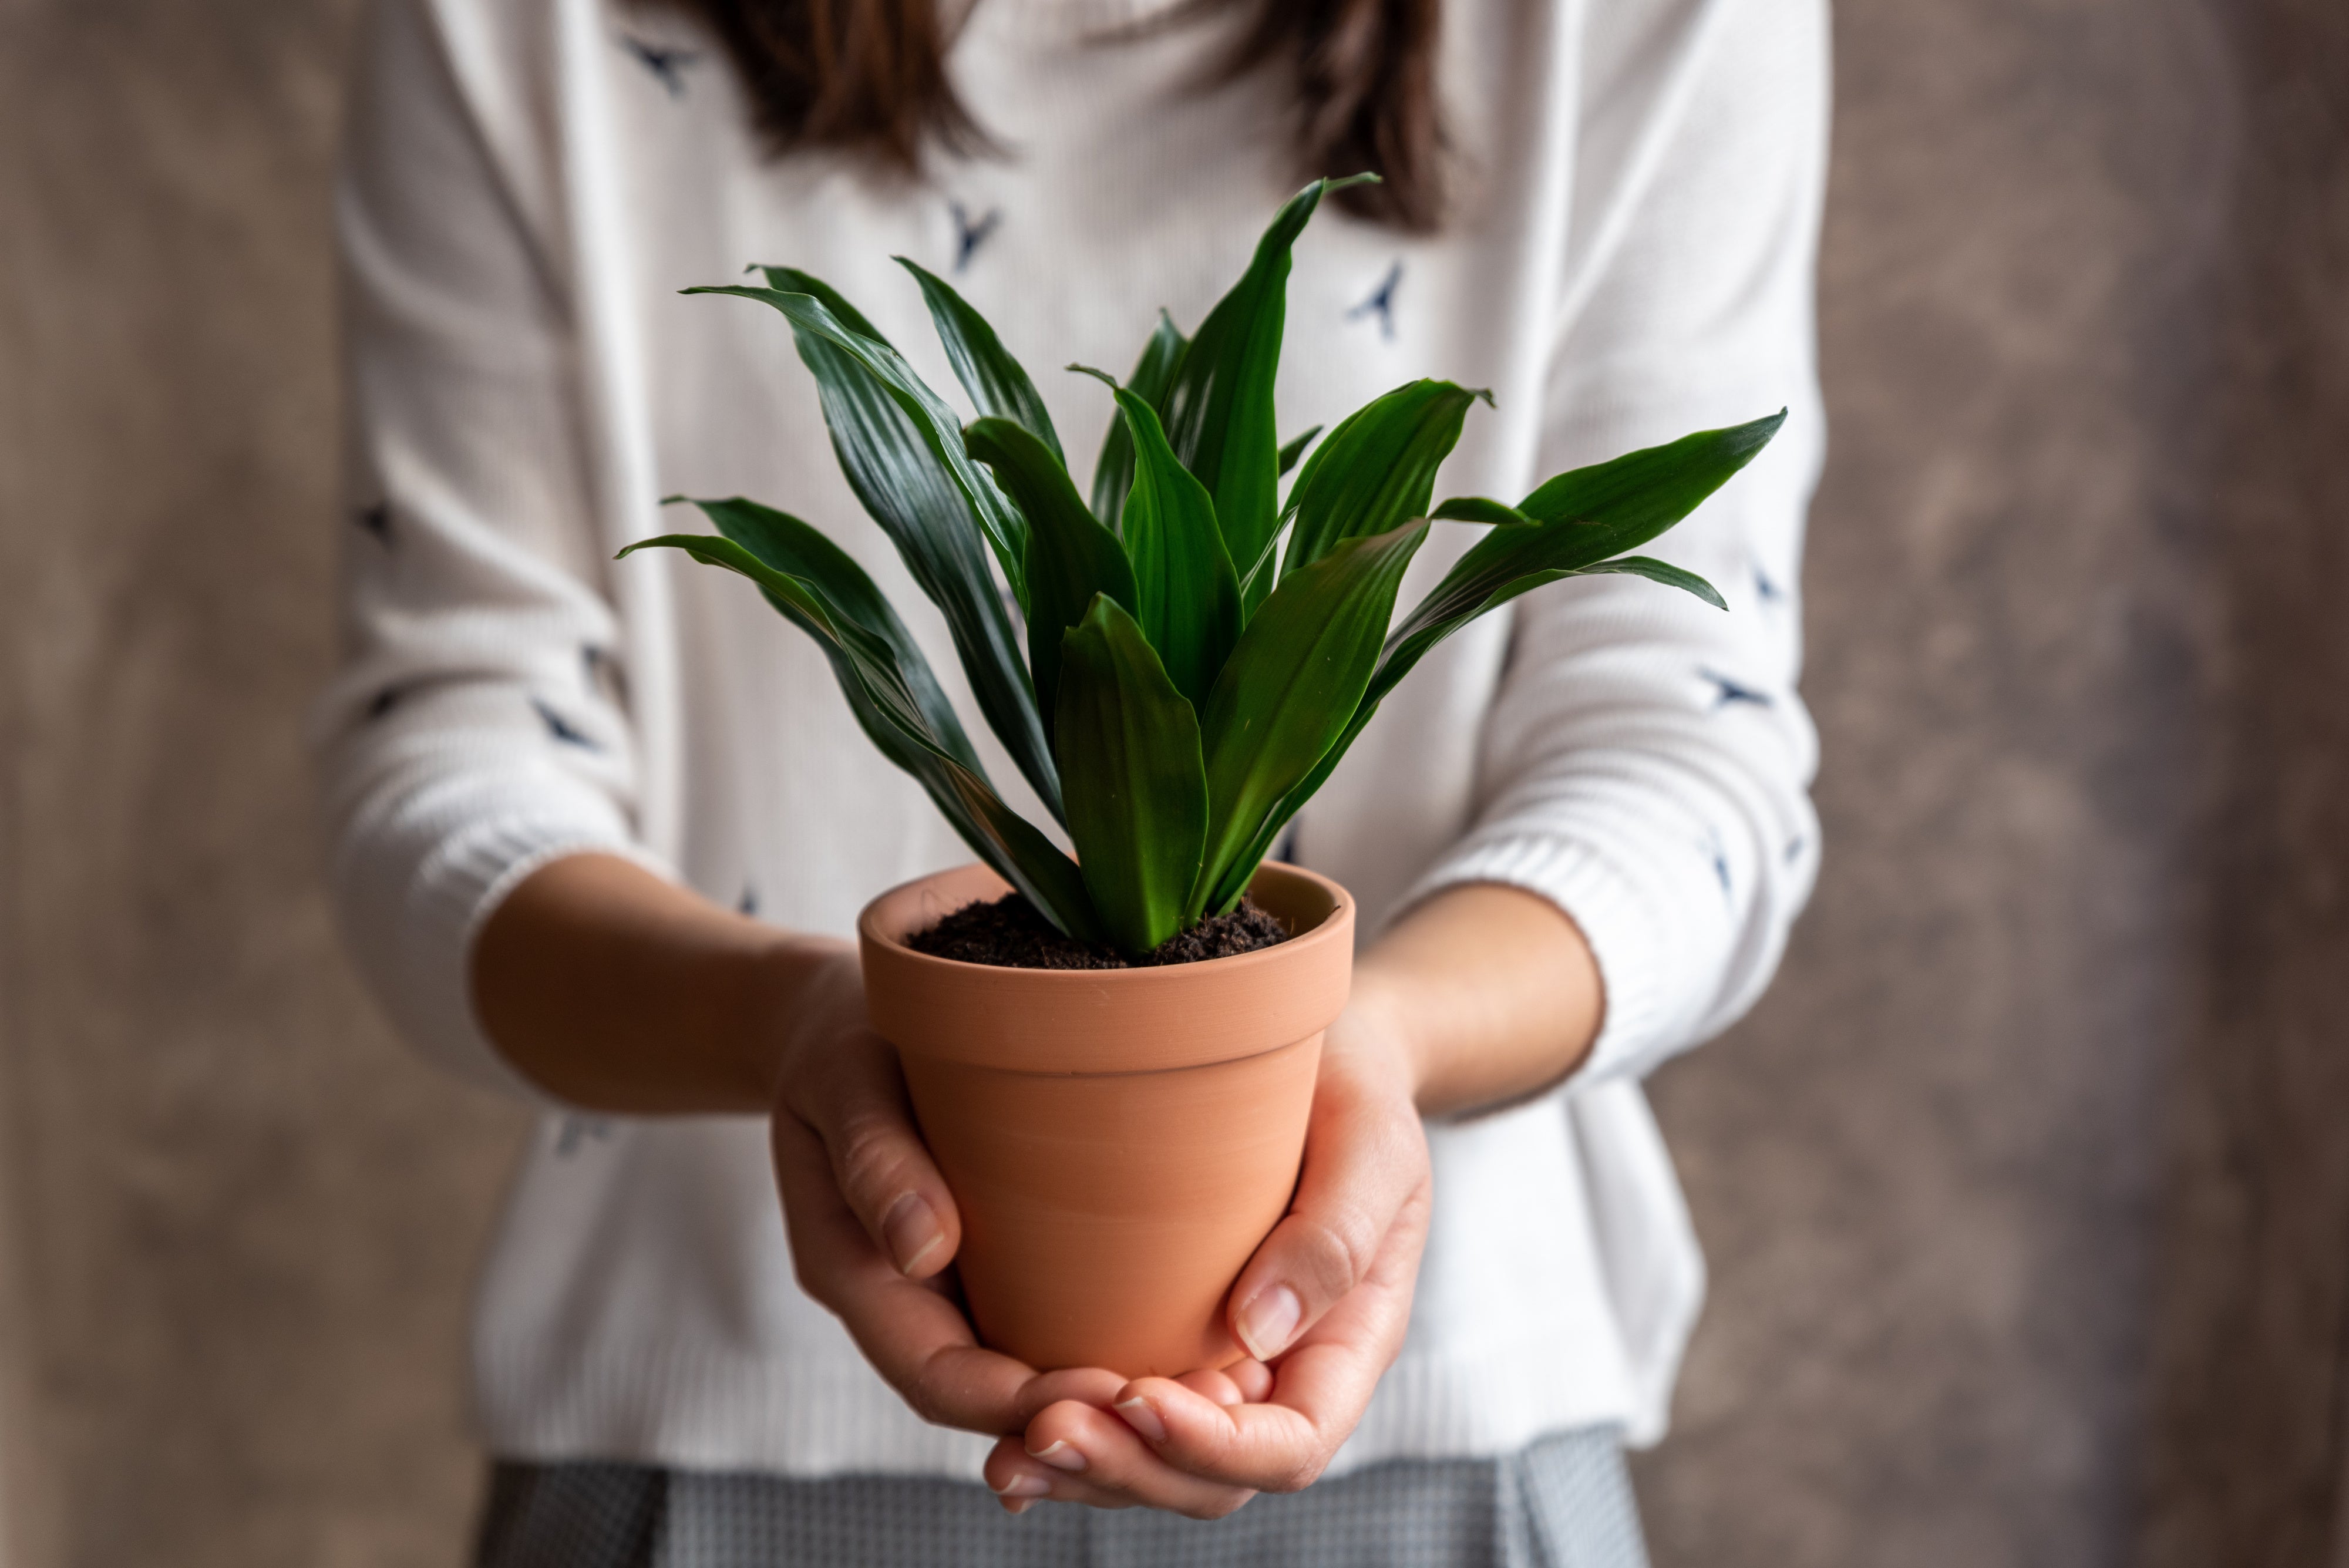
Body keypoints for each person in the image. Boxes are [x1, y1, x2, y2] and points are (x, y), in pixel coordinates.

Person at [317, 0, 1825, 1561]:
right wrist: (786, 1021)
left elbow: (1681, 749)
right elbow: (451, 750)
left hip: (1431, 1436)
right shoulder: (521, 29)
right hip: (706, 1443)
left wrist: (1379, 1042)